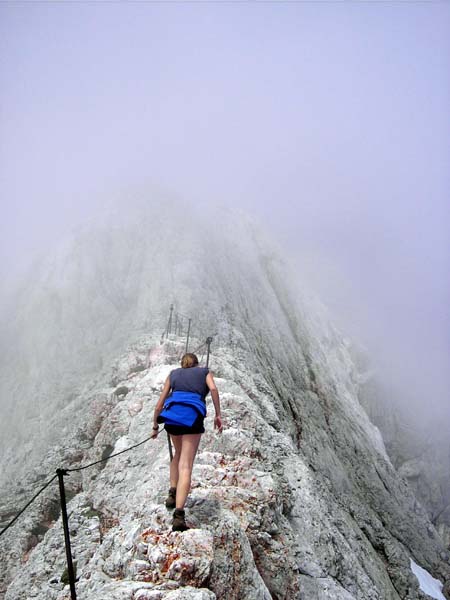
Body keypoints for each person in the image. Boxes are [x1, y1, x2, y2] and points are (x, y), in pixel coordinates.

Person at [151, 352, 223, 531]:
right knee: (186, 465)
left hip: (172, 420)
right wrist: (218, 414)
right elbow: (213, 389)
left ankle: (172, 492)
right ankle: (179, 515)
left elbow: (159, 404)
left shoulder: (173, 374)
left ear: (182, 364)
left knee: (177, 453)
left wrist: (154, 426)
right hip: (192, 419)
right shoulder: (204, 372)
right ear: (197, 364)